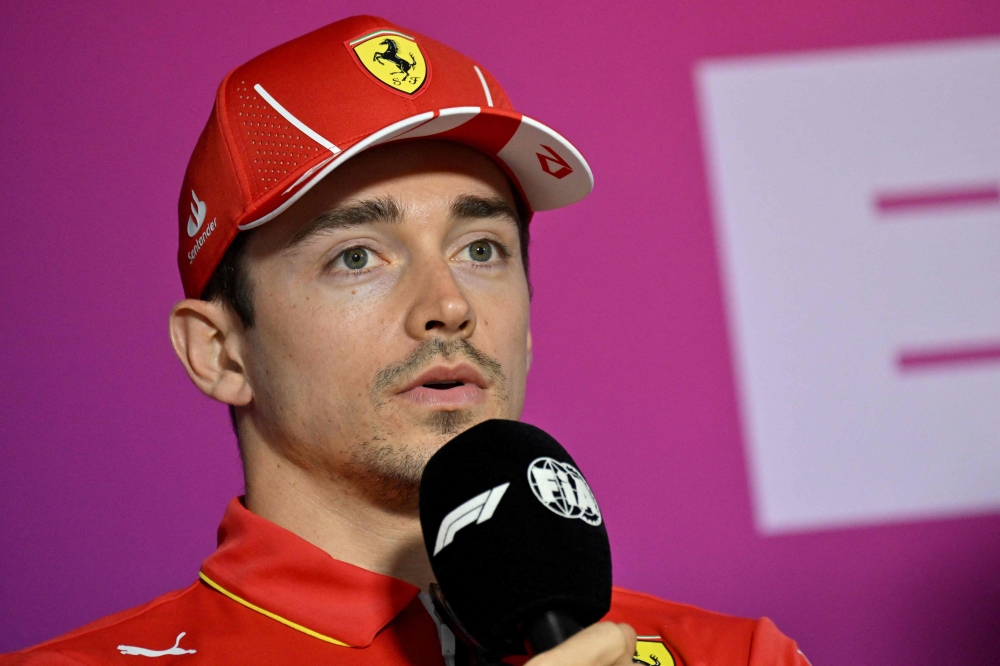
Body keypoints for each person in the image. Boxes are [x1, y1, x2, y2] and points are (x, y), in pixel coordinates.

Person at [1, 15, 809, 666]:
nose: (448, 304)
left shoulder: (731, 657)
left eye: (480, 249)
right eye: (357, 257)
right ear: (220, 352)